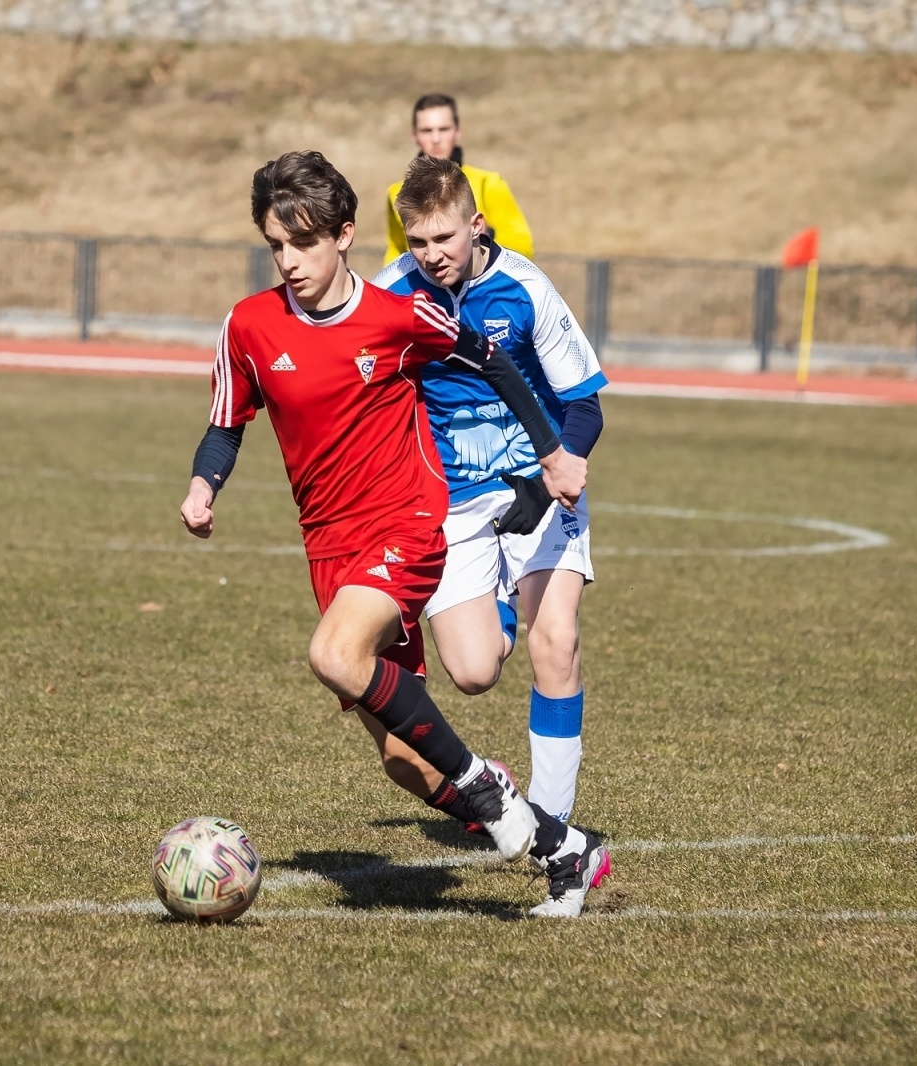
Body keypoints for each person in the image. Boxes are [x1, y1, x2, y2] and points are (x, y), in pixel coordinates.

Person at [179, 150, 611, 917]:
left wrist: (551, 454)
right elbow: (224, 424)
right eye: (276, 246)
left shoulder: (399, 314)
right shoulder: (248, 325)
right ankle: (560, 845)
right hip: (331, 545)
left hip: (410, 519)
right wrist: (203, 486)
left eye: (303, 243)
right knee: (407, 761)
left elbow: (492, 358)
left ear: (344, 235)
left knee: (335, 654)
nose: (289, 261)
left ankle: (500, 799)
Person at [373, 155, 607, 829]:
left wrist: (554, 470)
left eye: (444, 238)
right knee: (474, 673)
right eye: (417, 241)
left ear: (476, 225)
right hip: (454, 502)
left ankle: (553, 826)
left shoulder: (524, 288)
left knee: (555, 638)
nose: (432, 255)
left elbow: (585, 405)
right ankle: (498, 606)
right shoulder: (394, 293)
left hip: (541, 487)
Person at [383, 93, 533, 264]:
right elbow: (395, 250)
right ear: (414, 136)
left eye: (443, 129)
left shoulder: (488, 183)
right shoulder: (397, 192)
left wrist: (488, 238)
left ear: (457, 132)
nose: (436, 139)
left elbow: (523, 246)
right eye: (427, 131)